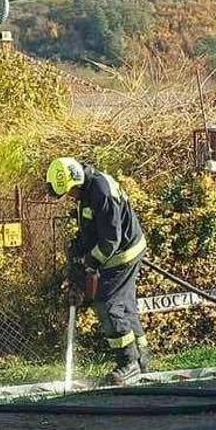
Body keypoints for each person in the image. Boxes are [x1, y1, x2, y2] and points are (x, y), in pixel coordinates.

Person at [47, 157, 149, 386]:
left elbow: (110, 240)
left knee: (107, 303)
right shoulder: (88, 190)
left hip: (123, 253)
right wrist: (76, 254)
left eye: (69, 192)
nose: (70, 197)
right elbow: (92, 230)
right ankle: (142, 359)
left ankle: (129, 363)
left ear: (76, 182)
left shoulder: (101, 192)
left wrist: (90, 264)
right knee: (125, 305)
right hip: (121, 250)